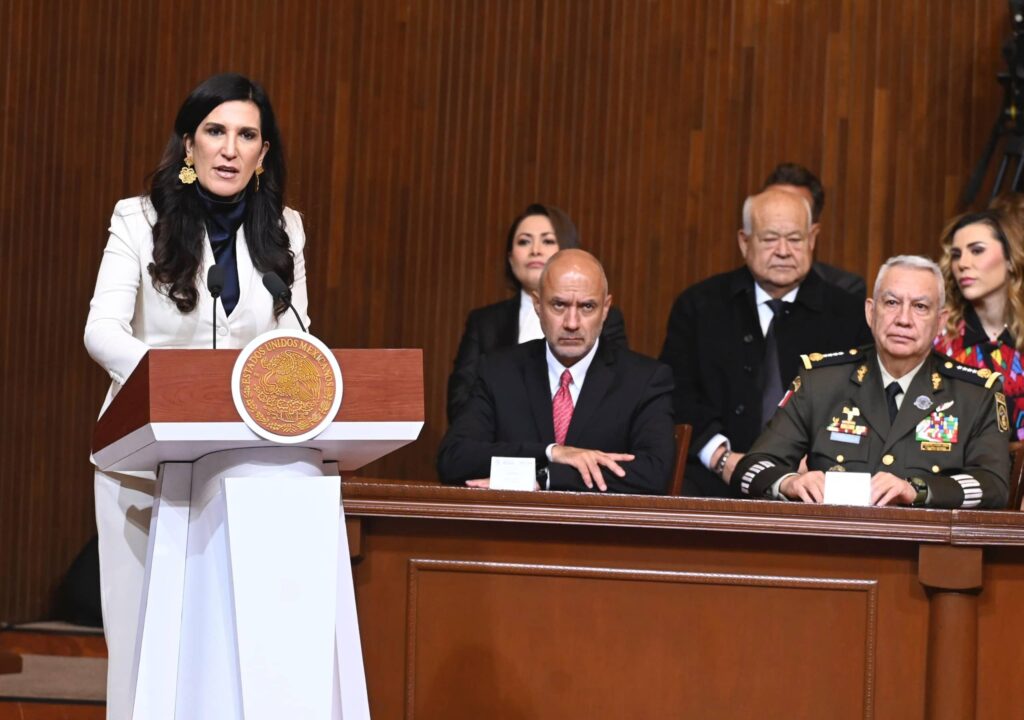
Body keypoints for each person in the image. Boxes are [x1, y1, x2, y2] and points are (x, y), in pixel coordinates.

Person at [83, 73, 310, 719]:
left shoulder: (285, 229)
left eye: (247, 135)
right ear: (189, 144)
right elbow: (101, 331)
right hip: (140, 462)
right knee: (140, 641)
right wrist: (178, 388)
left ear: (263, 153)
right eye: (215, 131)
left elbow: (294, 340)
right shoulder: (138, 218)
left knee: (228, 642)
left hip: (245, 466)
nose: (230, 149)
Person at [733, 256, 1009, 508]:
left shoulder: (974, 394)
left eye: (920, 307)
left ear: (940, 322)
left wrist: (918, 490)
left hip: (927, 543)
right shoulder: (821, 382)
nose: (903, 319)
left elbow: (993, 486)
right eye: (891, 303)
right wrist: (790, 483)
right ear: (870, 312)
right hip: (834, 539)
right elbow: (750, 469)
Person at [659, 189, 871, 497]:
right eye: (770, 239)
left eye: (795, 239)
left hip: (815, 483)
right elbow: (676, 393)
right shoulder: (699, 306)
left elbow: (863, 401)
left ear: (812, 239)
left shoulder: (849, 315)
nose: (783, 251)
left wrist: (820, 456)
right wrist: (720, 457)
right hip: (712, 478)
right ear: (744, 242)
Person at [438, 249, 674, 494]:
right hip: (514, 518)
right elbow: (454, 458)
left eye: (587, 306)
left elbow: (654, 473)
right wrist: (551, 452)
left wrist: (547, 477)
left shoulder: (645, 379)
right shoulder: (499, 371)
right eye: (559, 305)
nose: (572, 323)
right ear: (538, 305)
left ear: (605, 309)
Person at [446, 203, 628, 423]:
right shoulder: (484, 322)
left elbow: (618, 392)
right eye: (524, 241)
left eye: (547, 241)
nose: (535, 250)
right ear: (510, 258)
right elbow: (460, 401)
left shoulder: (605, 318)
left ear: (569, 252)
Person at [934, 204, 1024, 442]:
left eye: (977, 250)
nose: (962, 263)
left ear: (1010, 259)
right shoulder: (938, 337)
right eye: (956, 254)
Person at [762, 162, 866, 297]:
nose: (782, 250)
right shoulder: (733, 288)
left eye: (795, 213)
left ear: (812, 234)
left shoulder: (844, 289)